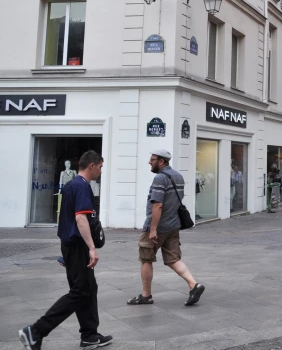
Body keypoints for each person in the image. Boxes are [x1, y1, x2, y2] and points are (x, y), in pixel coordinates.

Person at [19, 151, 113, 350]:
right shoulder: (81, 186)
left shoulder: (71, 186)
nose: (101, 171)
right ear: (92, 166)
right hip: (78, 246)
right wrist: (91, 248)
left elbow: (65, 217)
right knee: (80, 291)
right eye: (101, 167)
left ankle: (89, 335)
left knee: (89, 288)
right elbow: (80, 218)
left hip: (71, 246)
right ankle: (36, 331)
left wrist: (66, 251)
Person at [127, 149, 204, 307]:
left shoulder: (160, 178)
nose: (149, 162)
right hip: (174, 225)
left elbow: (158, 205)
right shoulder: (178, 176)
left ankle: (146, 295)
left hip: (158, 226)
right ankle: (193, 285)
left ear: (161, 161)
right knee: (173, 259)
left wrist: (153, 229)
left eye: (152, 159)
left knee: (146, 258)